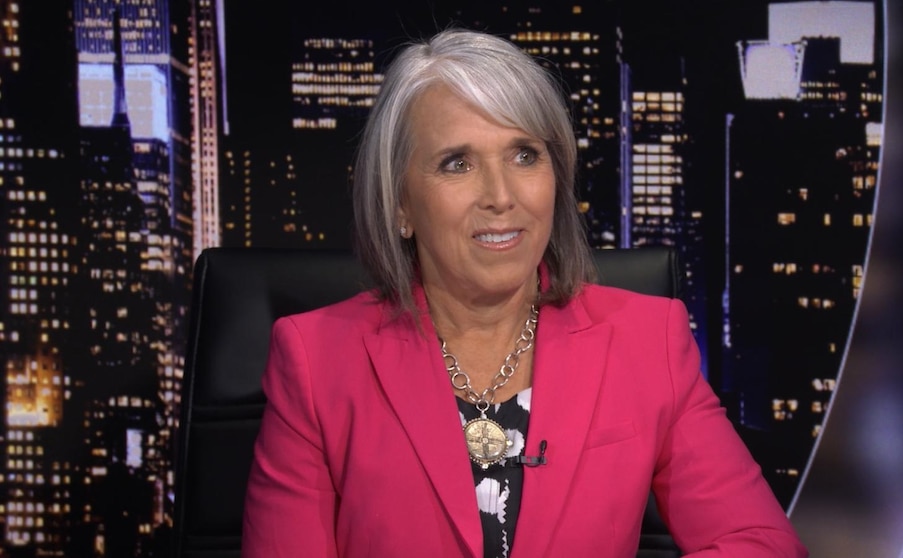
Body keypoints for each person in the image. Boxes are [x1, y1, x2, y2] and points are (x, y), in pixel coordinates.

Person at [241, 28, 808, 557]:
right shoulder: (316, 361)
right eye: (457, 163)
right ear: (401, 204)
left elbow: (760, 542)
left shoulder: (648, 340)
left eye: (524, 155)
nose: (501, 195)